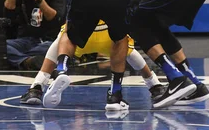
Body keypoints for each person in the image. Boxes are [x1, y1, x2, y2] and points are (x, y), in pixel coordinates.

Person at [20, 21, 165, 107]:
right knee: (127, 49)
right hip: (107, 27)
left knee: (62, 39)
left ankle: (38, 86)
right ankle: (154, 86)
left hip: (84, 25)